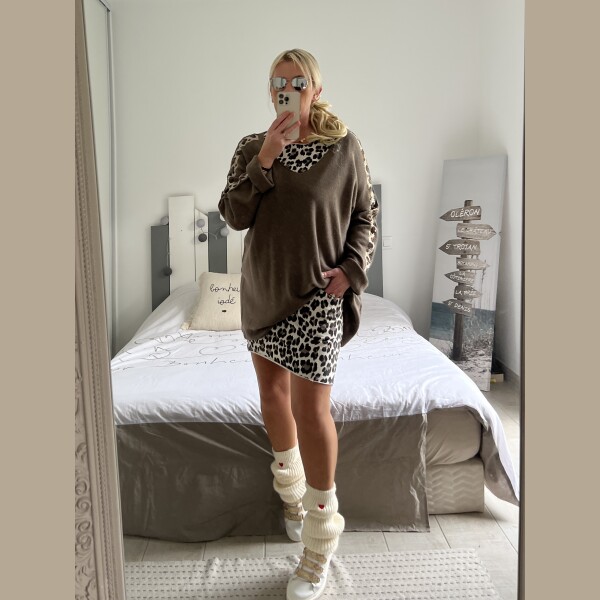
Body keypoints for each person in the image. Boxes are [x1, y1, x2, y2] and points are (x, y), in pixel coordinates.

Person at [218, 48, 379, 600]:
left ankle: (319, 542)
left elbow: (365, 215)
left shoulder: (344, 147)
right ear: (271, 91)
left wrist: (351, 270)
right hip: (264, 292)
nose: (287, 89)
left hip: (317, 298)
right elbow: (234, 215)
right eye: (278, 82)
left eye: (298, 81)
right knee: (272, 397)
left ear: (316, 88)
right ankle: (291, 495)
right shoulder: (251, 147)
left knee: (312, 411)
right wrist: (265, 160)